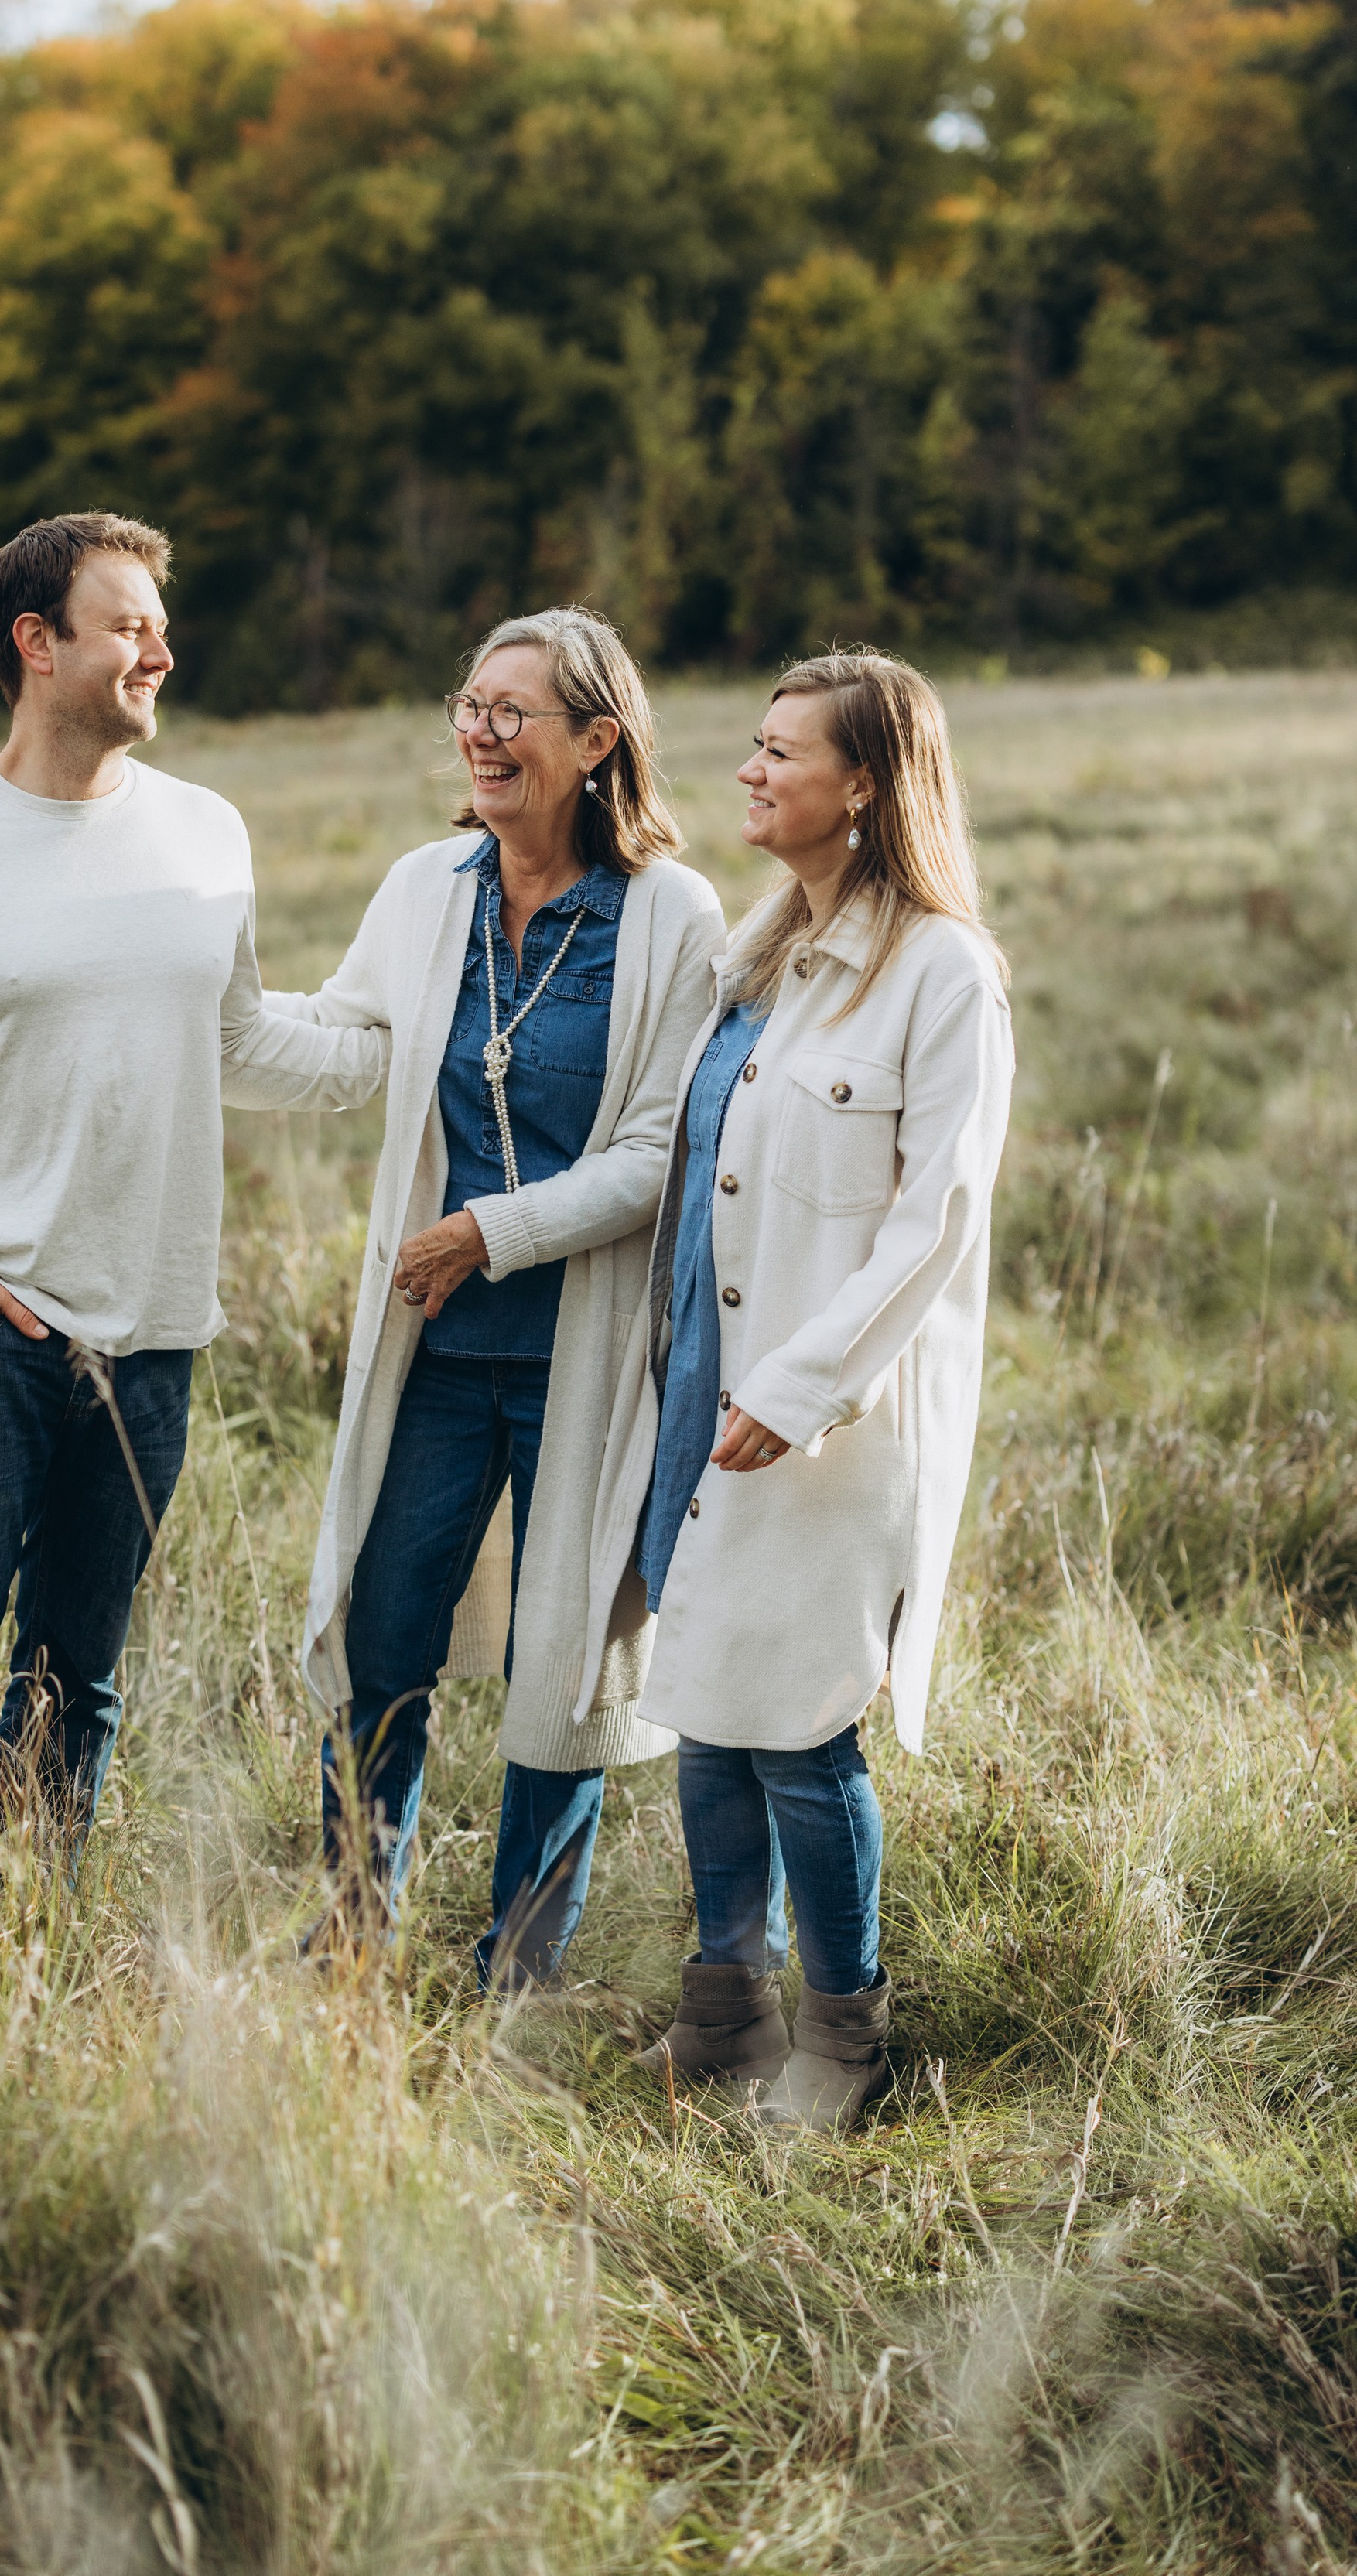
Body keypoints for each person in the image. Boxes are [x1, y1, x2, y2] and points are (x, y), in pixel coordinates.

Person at [0, 511, 387, 1840]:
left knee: (80, 1685)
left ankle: (38, 1937)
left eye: (159, 626)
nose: (161, 652)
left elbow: (233, 1038)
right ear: (37, 644)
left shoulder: (206, 832)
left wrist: (408, 1043)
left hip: (155, 1333)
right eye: (129, 625)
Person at [270, 610, 723, 1986]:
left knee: (561, 1661)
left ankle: (519, 1968)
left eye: (511, 712)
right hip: (441, 1349)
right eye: (469, 704)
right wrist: (199, 998)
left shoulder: (668, 916)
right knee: (385, 1629)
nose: (479, 731)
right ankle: (355, 1925)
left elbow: (659, 1153)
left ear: (597, 743)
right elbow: (347, 1044)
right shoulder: (425, 888)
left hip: (584, 1350)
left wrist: (487, 1229)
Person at [601, 647, 1013, 2130]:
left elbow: (938, 1219)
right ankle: (729, 2014)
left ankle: (845, 2041)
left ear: (868, 784)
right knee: (705, 1710)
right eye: (754, 744)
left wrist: (807, 1382)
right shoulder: (761, 961)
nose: (751, 772)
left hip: (826, 1417)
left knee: (803, 1727)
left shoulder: (941, 972)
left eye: (784, 752)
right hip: (703, 1390)